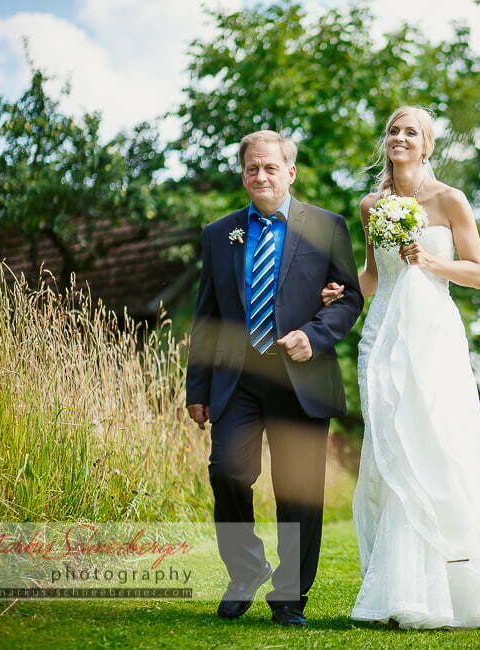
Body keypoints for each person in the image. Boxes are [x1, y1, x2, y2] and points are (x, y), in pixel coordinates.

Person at [322, 106, 480, 629]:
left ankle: (450, 590)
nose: (399, 138)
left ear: (427, 146)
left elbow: (477, 273)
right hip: (383, 331)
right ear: (388, 143)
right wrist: (341, 289)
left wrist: (428, 261)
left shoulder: (450, 200)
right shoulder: (371, 205)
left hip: (431, 332)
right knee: (389, 447)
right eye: (393, 131)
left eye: (411, 133)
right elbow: (376, 277)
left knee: (432, 442)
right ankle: (397, 590)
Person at [186, 130, 362, 627]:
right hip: (236, 378)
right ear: (242, 174)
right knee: (227, 471)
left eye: (269, 168)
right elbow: (207, 315)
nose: (260, 176)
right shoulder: (219, 234)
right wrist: (196, 387)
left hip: (301, 378)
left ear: (291, 172)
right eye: (251, 169)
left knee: (298, 491)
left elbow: (349, 297)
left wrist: (316, 334)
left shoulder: (327, 226)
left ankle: (289, 597)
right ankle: (245, 570)